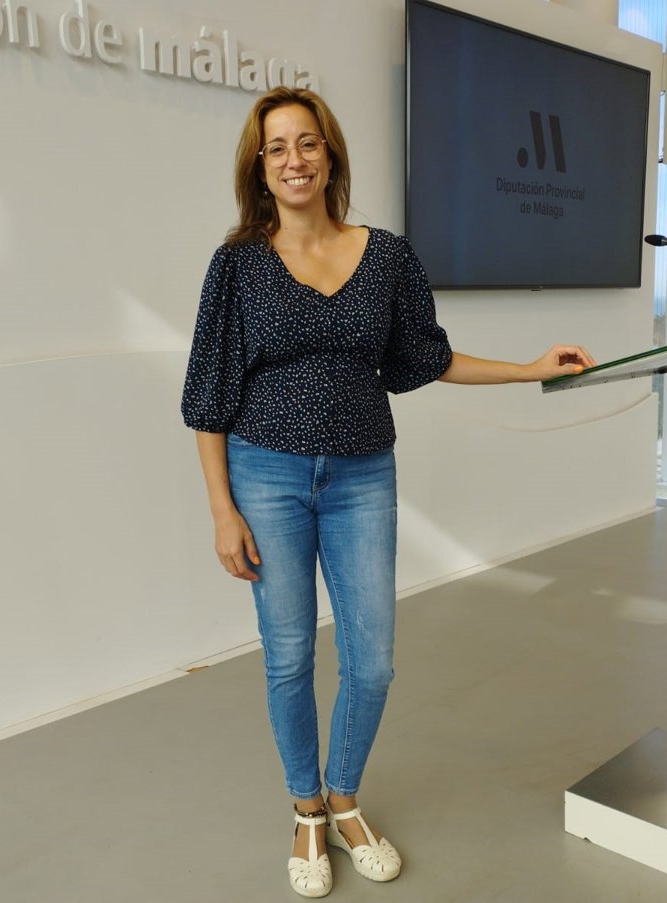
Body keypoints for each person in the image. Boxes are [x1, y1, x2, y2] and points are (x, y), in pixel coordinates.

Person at [181, 86, 594, 899]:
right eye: (276, 148)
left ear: (330, 153)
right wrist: (222, 510)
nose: (294, 159)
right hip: (266, 475)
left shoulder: (389, 257)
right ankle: (306, 810)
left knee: (371, 663)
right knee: (289, 655)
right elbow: (208, 395)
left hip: (362, 476)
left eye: (307, 142)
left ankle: (344, 798)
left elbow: (426, 358)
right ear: (259, 169)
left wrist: (528, 369)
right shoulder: (237, 265)